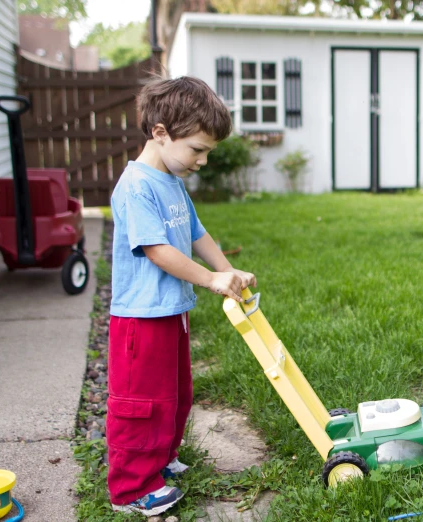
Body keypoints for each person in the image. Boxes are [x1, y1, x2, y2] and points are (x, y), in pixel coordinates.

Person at [106, 76, 255, 516]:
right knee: (142, 404)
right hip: (140, 317)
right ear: (160, 133)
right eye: (197, 149)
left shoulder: (171, 181)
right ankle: (132, 488)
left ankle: (160, 460)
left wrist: (228, 270)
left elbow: (194, 233)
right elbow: (158, 251)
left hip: (170, 312)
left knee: (175, 394)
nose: (203, 161)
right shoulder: (135, 186)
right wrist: (209, 280)